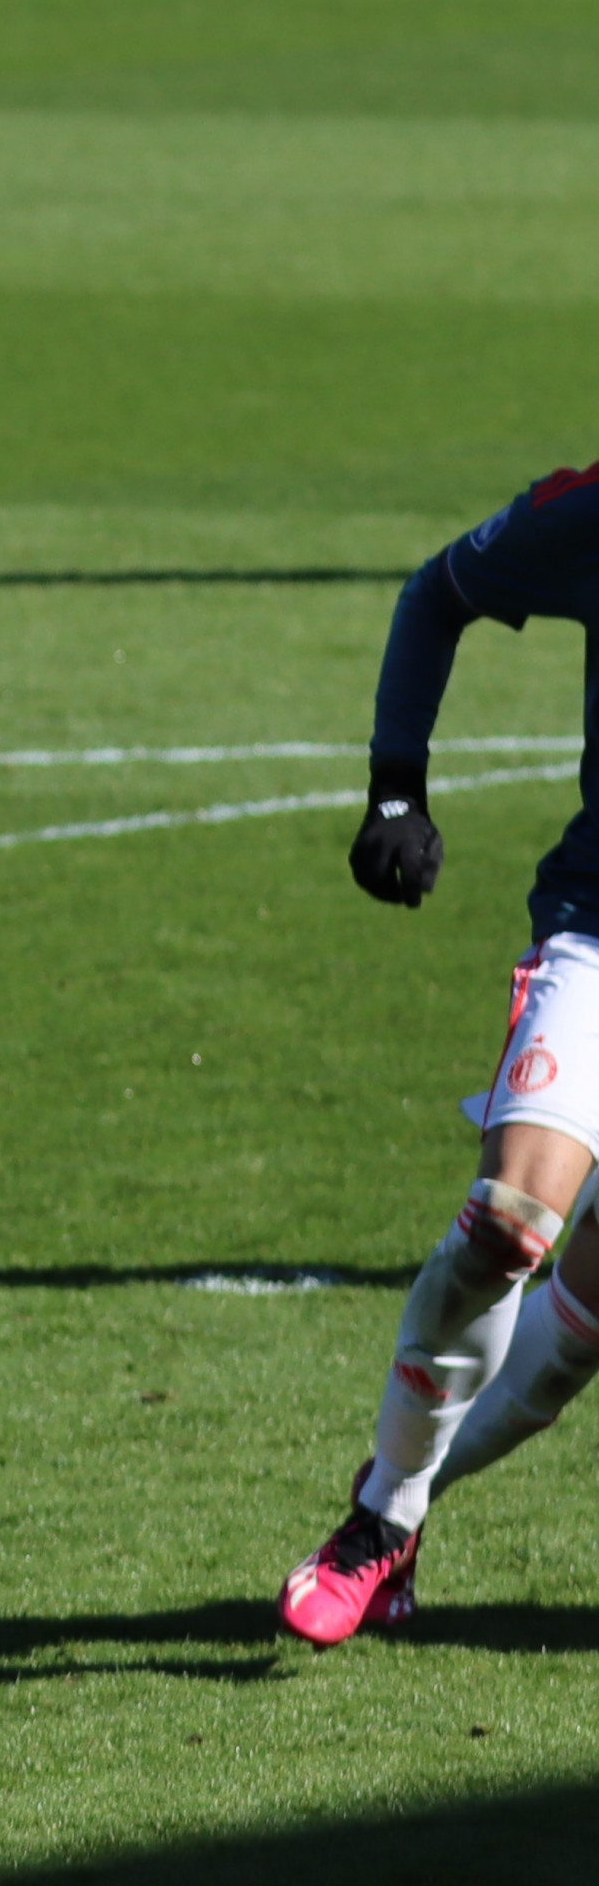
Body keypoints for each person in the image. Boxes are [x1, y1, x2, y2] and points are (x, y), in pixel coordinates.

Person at [282, 461, 599, 1644]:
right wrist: (397, 790)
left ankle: (402, 1508)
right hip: (598, 932)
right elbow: (438, 593)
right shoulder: (592, 510)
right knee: (511, 1219)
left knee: (577, 1338)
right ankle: (382, 1518)